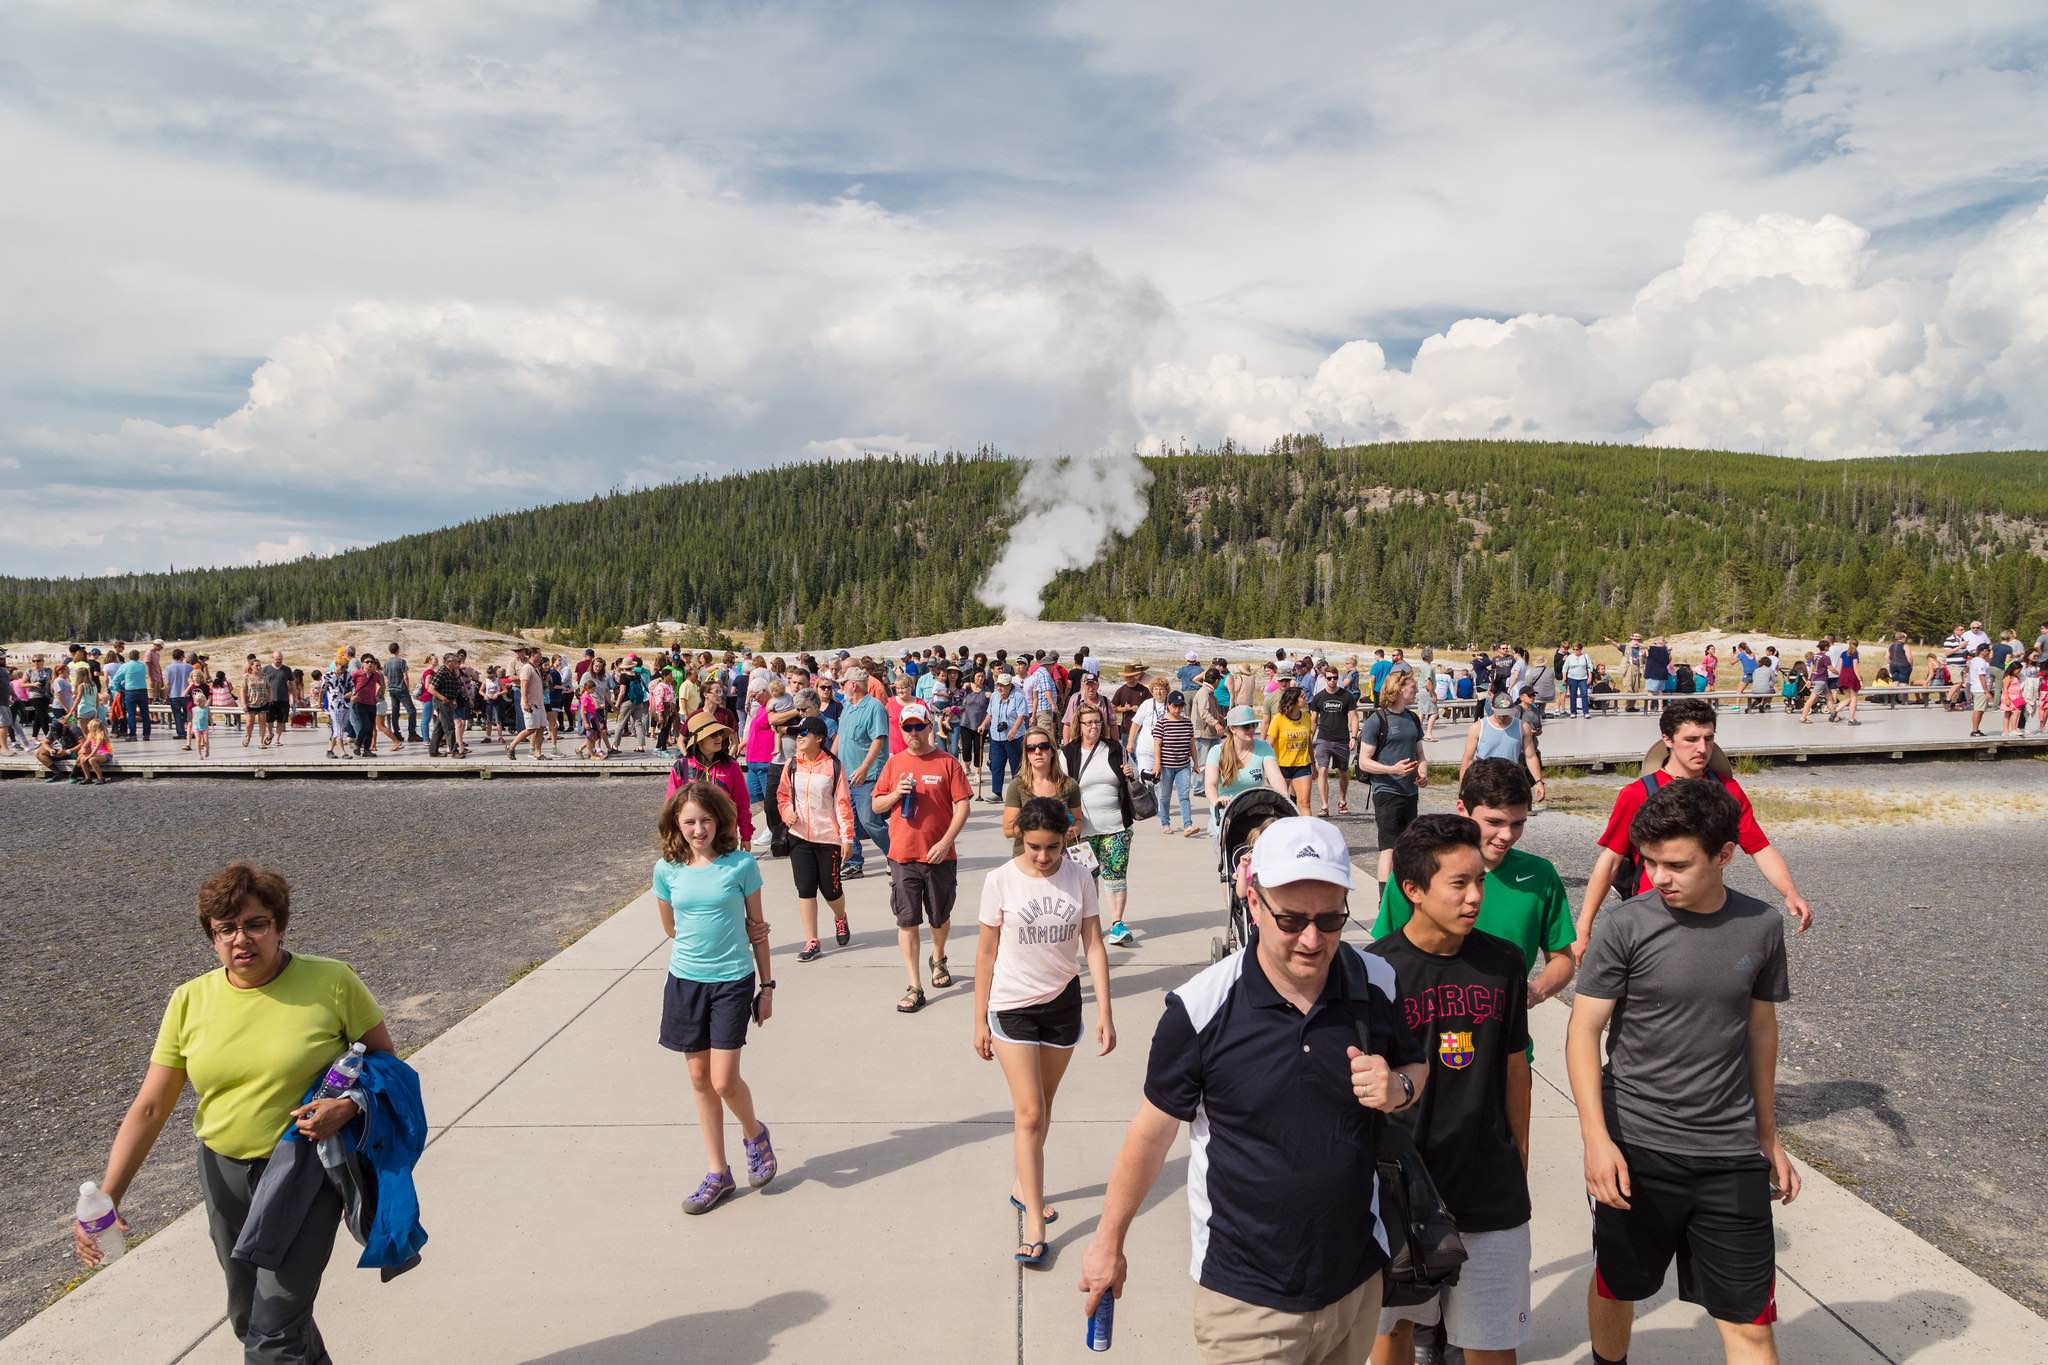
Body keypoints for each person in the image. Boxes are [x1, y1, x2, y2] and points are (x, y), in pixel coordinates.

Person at [1078, 817, 1429, 1364]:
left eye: (1331, 918)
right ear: (1253, 900)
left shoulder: (1376, 981)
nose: (1313, 939)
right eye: (1291, 920)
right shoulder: (1199, 1010)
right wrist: (1108, 1242)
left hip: (1355, 1285)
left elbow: (1416, 1066)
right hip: (1246, 1303)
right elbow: (1149, 1135)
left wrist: (1398, 1087)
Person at [77, 864, 396, 1361]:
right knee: (251, 1316)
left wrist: (347, 1105)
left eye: (255, 924)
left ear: (280, 926)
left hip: (304, 1171)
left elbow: (385, 1063)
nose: (240, 939)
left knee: (275, 1327)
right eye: (225, 929)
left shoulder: (331, 981)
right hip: (223, 1172)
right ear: (211, 937)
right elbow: (151, 1106)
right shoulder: (190, 1000)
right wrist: (108, 1197)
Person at [1568, 779, 1798, 1365]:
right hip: (1637, 1147)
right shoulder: (1627, 926)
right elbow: (1583, 1031)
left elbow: (1761, 1031)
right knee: (1619, 1285)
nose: (1659, 877)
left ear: (1725, 855)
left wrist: (1769, 1136)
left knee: (1750, 1321)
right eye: (1649, 863)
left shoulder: (1762, 926)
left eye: (1676, 864)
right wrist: (1597, 1140)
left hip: (1731, 1153)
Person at [1370, 815, 1533, 1365]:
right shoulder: (1376, 972)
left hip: (1490, 1186)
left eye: (1480, 881)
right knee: (1391, 1333)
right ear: (1412, 889)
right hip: (1402, 1191)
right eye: (1458, 884)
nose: (1475, 897)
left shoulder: (1503, 963)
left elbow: (1515, 1068)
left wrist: (1521, 1156)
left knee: (1490, 1343)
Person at [973, 796, 1116, 1266]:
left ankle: (1022, 1181)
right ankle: (1034, 1220)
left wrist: (1105, 1012)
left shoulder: (1079, 876)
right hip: (1011, 1007)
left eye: (1052, 847)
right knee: (1029, 1113)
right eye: (1034, 847)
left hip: (1062, 1004)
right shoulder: (1000, 882)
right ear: (1020, 839)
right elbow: (986, 954)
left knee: (1045, 1106)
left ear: (1065, 839)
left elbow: (1093, 944)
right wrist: (979, 1019)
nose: (1042, 857)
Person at [1573, 698, 1814, 962]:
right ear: (1667, 739)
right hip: (1651, 912)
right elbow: (1610, 860)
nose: (1702, 748)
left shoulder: (1728, 791)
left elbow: (1759, 847)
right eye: (1691, 739)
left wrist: (1791, 892)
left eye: (1708, 738)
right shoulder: (1637, 794)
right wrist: (1584, 929)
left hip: (1709, 913)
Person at [655, 781, 778, 1215]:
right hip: (686, 982)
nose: (698, 829)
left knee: (725, 1080)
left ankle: (754, 1134)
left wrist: (767, 987)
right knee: (699, 1080)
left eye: (706, 820)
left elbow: (757, 929)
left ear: (719, 821)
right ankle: (717, 1172)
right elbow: (671, 928)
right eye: (689, 821)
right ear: (676, 824)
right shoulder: (666, 870)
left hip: (732, 981)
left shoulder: (741, 865)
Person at [872, 703, 972, 1014]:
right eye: (907, 728)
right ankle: (915, 985)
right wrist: (894, 795)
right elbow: (876, 806)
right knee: (907, 920)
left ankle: (938, 957)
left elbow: (963, 806)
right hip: (903, 855)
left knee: (939, 918)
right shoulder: (894, 764)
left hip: (939, 855)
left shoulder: (947, 762)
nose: (913, 733)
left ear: (929, 727)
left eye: (919, 726)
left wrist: (945, 842)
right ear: (900, 731)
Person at [777, 716, 854, 962]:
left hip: (827, 837)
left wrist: (847, 838)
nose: (799, 737)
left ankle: (840, 917)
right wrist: (787, 812)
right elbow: (782, 796)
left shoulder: (833, 767)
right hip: (799, 836)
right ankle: (812, 940)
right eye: (798, 733)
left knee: (831, 890)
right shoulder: (791, 765)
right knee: (806, 889)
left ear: (819, 738)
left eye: (805, 733)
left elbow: (842, 803)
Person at [1064, 706, 1140, 945]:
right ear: (1079, 725)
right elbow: (1062, 789)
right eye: (1088, 723)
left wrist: (1131, 772)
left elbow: (1135, 775)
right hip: (1082, 831)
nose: (1093, 727)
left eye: (1097, 722)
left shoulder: (1115, 749)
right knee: (1086, 878)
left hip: (1116, 826)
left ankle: (1117, 924)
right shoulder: (1068, 753)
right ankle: (1090, 923)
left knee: (1116, 875)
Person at [1359, 672, 1431, 889]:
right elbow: (1364, 762)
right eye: (1413, 686)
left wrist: (1423, 773)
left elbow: (1421, 755)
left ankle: (1404, 894)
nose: (1416, 690)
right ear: (1399, 689)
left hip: (1410, 792)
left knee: (1408, 847)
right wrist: (1392, 769)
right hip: (1386, 791)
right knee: (1388, 848)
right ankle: (1384, 901)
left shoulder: (1412, 718)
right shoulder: (1377, 720)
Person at [835, 666, 892, 878]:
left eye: (843, 684)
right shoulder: (848, 707)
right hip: (845, 774)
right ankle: (854, 862)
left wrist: (864, 767)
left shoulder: (874, 707)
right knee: (847, 821)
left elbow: (879, 739)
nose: (841, 688)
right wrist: (829, 762)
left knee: (870, 820)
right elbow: (840, 737)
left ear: (853, 685)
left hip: (867, 775)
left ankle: (894, 854)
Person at [1002, 724, 1082, 853]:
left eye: (1043, 746)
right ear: (1026, 754)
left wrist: (1074, 830)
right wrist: (1045, 827)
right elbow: (1008, 830)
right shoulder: (1017, 786)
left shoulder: (1069, 785)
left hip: (1061, 859)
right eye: (1031, 748)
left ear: (1052, 751)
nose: (1037, 752)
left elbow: (1078, 821)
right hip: (1026, 859)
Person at [1205, 703, 1283, 831]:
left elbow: (1276, 777)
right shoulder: (1217, 751)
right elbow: (1210, 784)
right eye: (1246, 726)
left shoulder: (1264, 747)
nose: (1252, 729)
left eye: (1254, 725)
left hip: (1255, 812)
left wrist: (1284, 801)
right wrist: (1217, 801)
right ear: (1232, 729)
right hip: (1227, 812)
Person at [1461, 694, 1545, 801]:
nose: (1502, 717)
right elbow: (1467, 760)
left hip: (1510, 780)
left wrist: (1539, 782)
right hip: (1485, 780)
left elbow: (1531, 757)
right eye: (1499, 713)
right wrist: (1463, 788)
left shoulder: (1523, 727)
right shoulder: (1478, 727)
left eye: (1505, 714)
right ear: (1492, 707)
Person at [1308, 663, 1359, 816]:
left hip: (1342, 739)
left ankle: (1342, 801)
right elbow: (1313, 719)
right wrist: (1310, 737)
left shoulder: (1347, 696)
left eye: (1335, 678)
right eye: (1329, 678)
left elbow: (1354, 717)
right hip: (1323, 738)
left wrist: (1354, 736)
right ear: (1325, 678)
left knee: (1343, 771)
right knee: (1322, 769)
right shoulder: (1318, 697)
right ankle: (1324, 805)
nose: (1332, 681)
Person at [1152, 690, 1199, 834]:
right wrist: (1157, 764)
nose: (1178, 709)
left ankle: (1188, 825)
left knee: (1184, 795)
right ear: (1169, 706)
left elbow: (1191, 745)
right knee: (1165, 796)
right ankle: (1165, 823)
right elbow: (1157, 745)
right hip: (1166, 766)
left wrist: (1195, 763)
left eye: (1180, 706)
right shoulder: (1162, 723)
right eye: (1175, 706)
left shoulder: (1187, 723)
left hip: (1183, 766)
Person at [1265, 684, 1314, 810]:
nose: (1305, 698)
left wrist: (1313, 764)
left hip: (1302, 765)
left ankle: (1307, 829)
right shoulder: (1278, 719)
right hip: (1282, 766)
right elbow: (1269, 744)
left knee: (1304, 803)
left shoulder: (1306, 717)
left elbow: (1308, 742)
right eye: (1302, 697)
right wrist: (1266, 769)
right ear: (1293, 701)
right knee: (1281, 803)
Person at [1967, 644, 1995, 737]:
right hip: (1980, 689)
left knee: (1981, 709)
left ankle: (1976, 729)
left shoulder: (1979, 661)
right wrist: (1987, 692)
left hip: (1979, 688)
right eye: (1988, 650)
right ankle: (1974, 730)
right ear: (1982, 651)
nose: (1989, 652)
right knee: (1978, 709)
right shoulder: (1979, 662)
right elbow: (1981, 677)